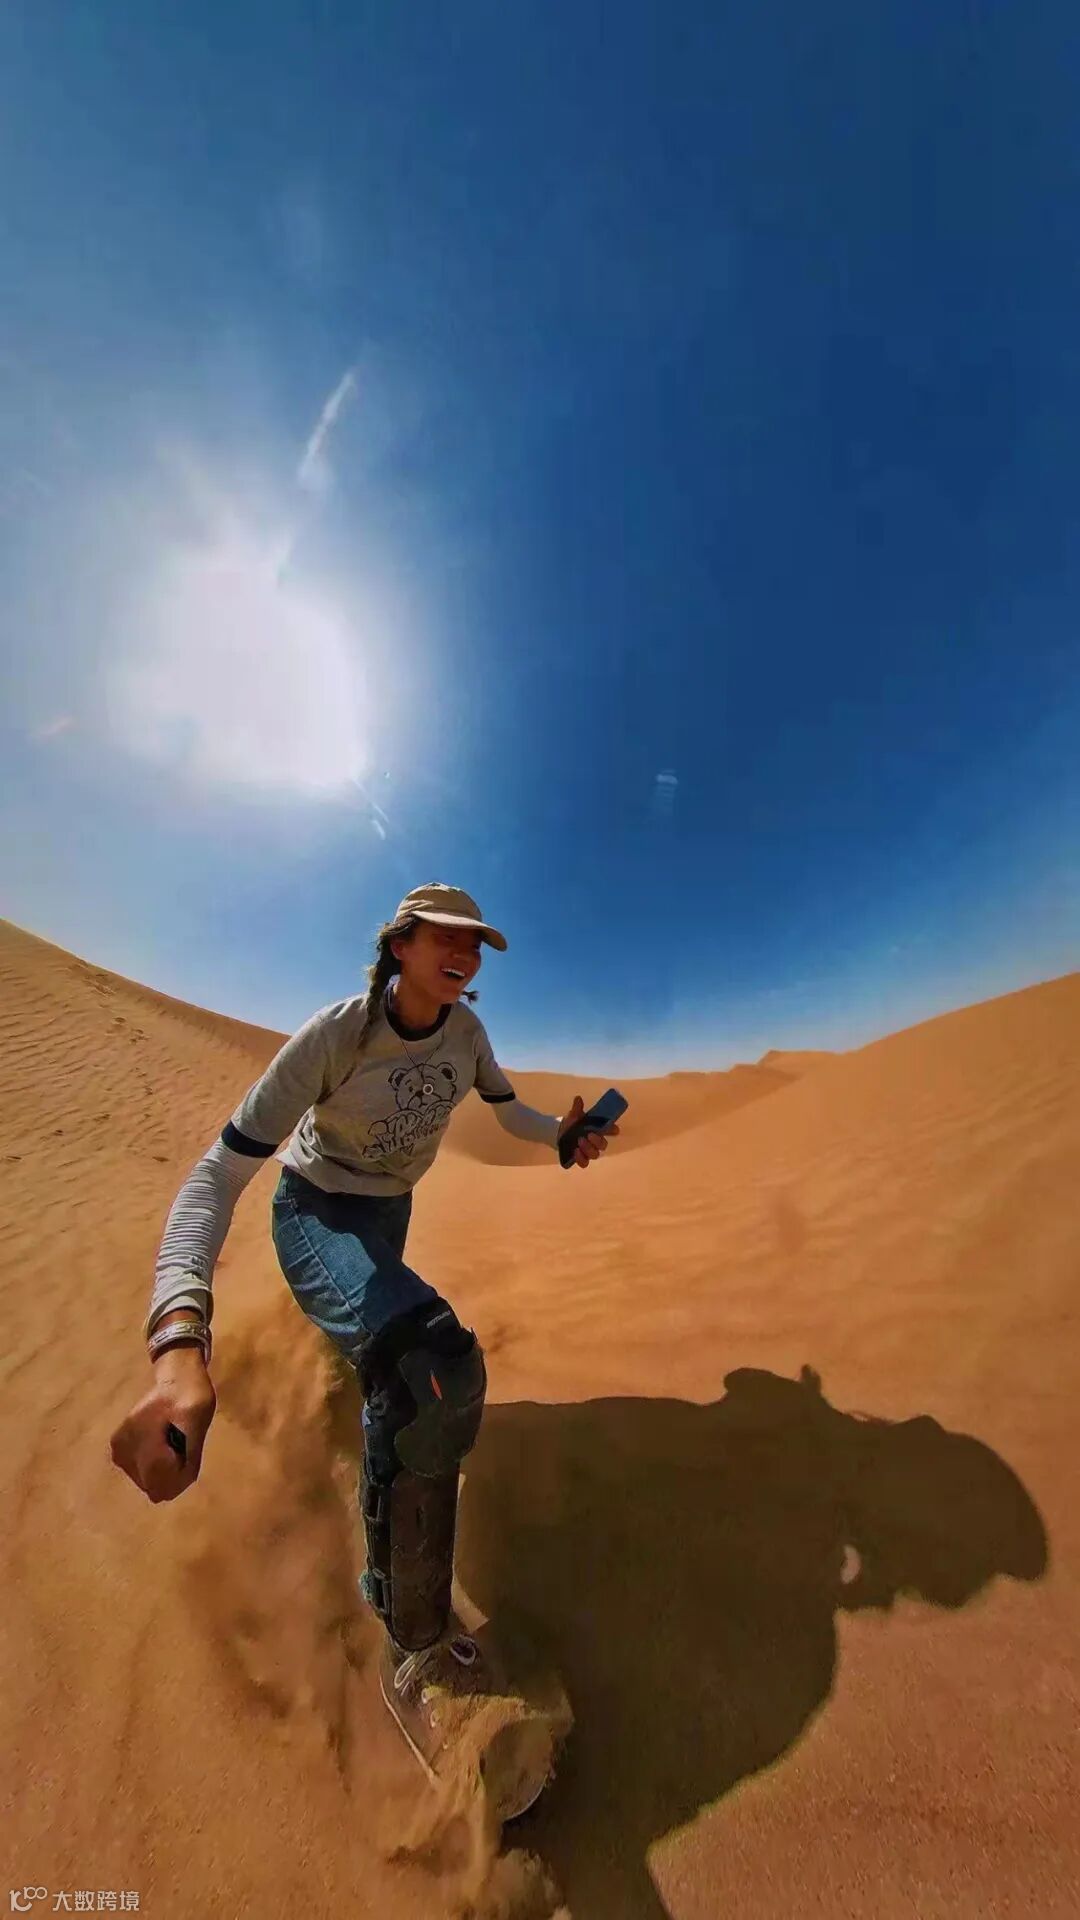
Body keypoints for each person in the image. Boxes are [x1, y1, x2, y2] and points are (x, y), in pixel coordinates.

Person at [110, 882, 619, 1762]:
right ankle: (414, 1645)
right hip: (316, 1213)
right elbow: (214, 1178)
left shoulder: (466, 1035)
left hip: (387, 1216)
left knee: (383, 1373)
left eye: (476, 942)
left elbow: (504, 1107)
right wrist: (178, 1347)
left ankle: (354, 1445)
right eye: (444, 936)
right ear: (399, 944)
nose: (463, 952)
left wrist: (559, 1136)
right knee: (433, 1372)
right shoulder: (337, 1036)